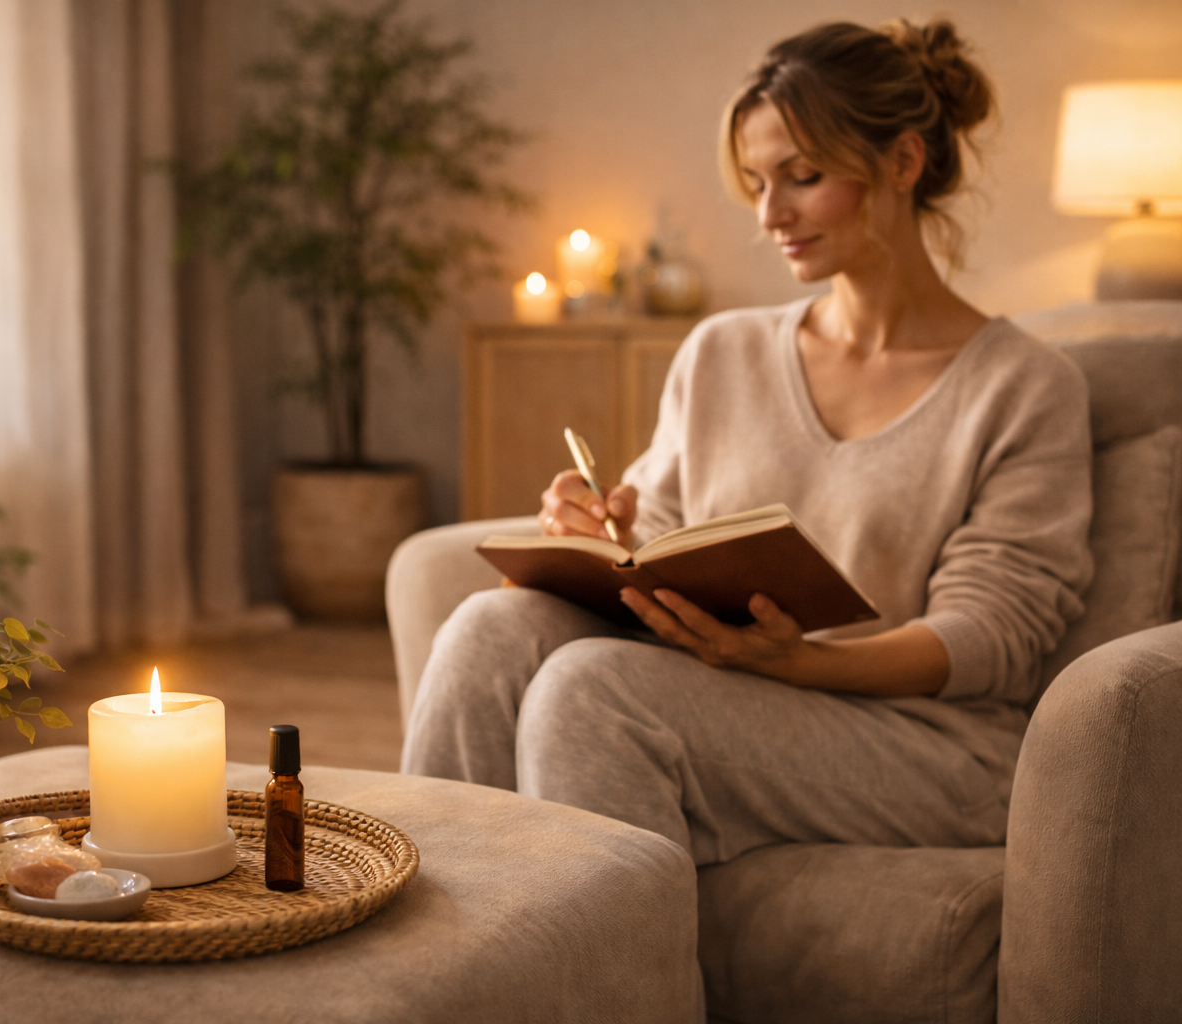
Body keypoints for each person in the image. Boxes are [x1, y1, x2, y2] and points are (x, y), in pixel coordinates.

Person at [401, 19, 1092, 866]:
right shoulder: (721, 350)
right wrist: (598, 539)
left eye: (802, 178)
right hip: (734, 682)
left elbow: (995, 636)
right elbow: (659, 534)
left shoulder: (1023, 386)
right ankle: (440, 957)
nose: (770, 214)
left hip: (925, 740)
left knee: (592, 695)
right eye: (758, 183)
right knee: (487, 629)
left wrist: (798, 663)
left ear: (904, 164)